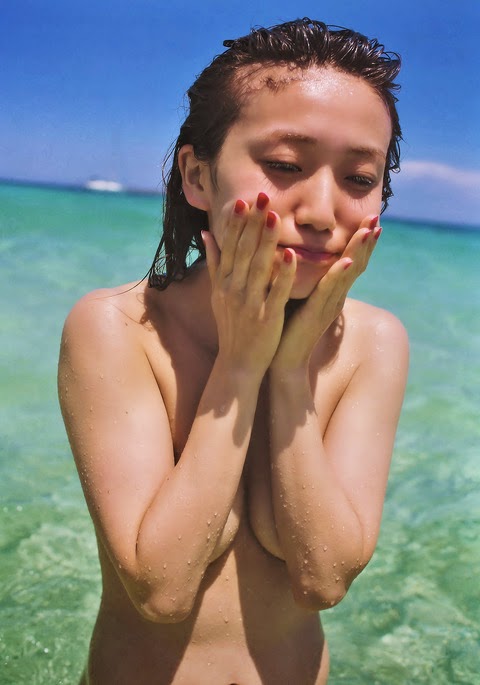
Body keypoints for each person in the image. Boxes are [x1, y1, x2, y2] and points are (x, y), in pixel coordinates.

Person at [58, 18, 409, 685]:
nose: (322, 211)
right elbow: (162, 589)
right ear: (196, 175)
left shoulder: (374, 343)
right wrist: (241, 366)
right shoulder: (118, 329)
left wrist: (288, 371)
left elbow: (323, 579)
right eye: (285, 165)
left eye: (359, 178)